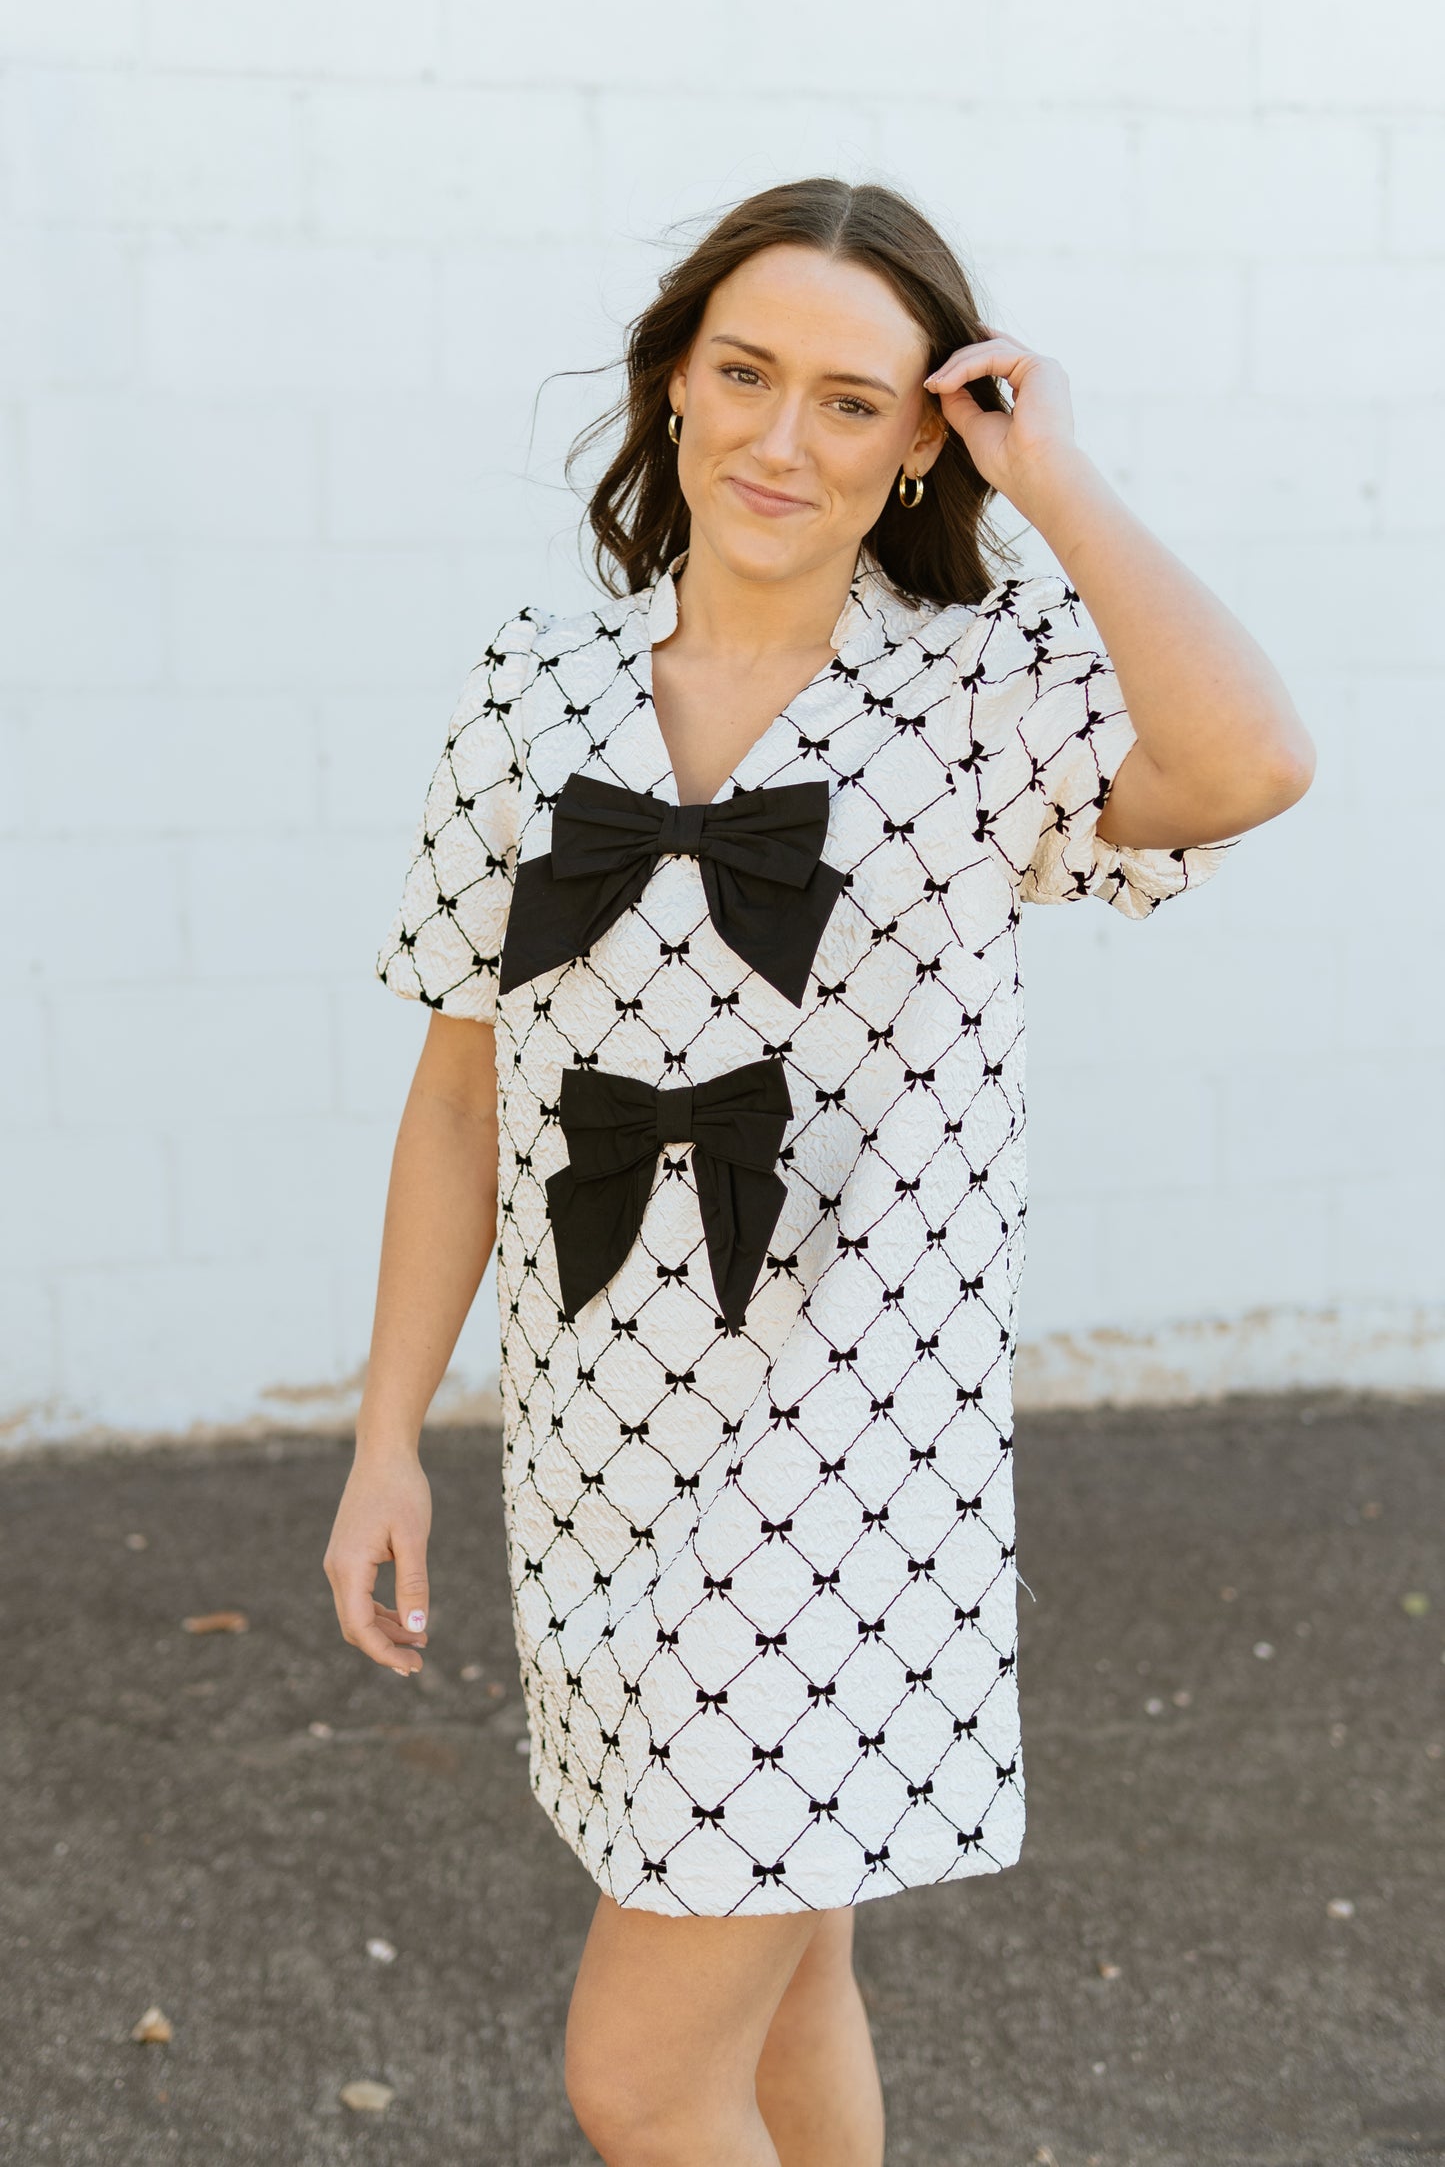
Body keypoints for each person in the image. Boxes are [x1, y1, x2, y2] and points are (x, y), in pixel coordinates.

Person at [324, 177, 1313, 2167]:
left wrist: (1062, 478)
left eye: (852, 402)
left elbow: (1247, 763)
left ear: (922, 437)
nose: (784, 438)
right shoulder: (531, 684)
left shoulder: (979, 682)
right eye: (747, 374)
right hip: (599, 1447)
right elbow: (458, 1096)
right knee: (795, 1994)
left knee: (637, 2071)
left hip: (848, 1482)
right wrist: (382, 1438)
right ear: (674, 384)